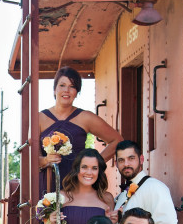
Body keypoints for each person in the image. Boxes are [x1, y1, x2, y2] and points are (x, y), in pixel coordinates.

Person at [38, 66, 122, 198]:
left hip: (77, 185)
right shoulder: (39, 118)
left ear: (77, 92)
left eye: (72, 86)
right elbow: (29, 158)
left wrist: (93, 164)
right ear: (55, 90)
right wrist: (46, 160)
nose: (67, 90)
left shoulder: (85, 117)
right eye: (62, 85)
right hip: (47, 185)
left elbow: (117, 141)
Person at [110, 140, 177, 224]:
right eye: (121, 160)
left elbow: (167, 223)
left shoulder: (155, 187)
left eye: (131, 158)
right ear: (116, 163)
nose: (126, 164)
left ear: (141, 159)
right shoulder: (122, 195)